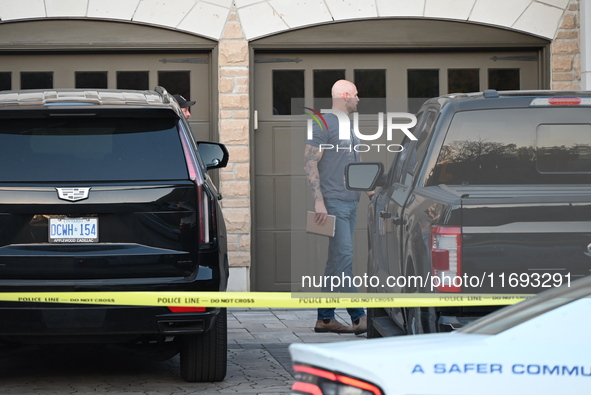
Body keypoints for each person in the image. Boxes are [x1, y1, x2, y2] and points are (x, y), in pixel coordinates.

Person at [304, 79, 368, 334]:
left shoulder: (348, 126)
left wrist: (372, 190)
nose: (358, 99)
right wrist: (319, 201)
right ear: (344, 95)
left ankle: (325, 319)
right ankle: (358, 317)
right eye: (355, 94)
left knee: (335, 263)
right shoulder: (323, 123)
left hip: (351, 203)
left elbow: (356, 164)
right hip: (334, 204)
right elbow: (309, 162)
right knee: (344, 258)